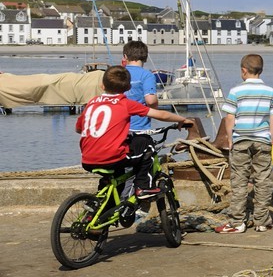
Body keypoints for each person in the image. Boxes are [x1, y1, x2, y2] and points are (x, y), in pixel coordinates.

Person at [77, 66, 199, 199]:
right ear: (129, 87)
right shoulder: (125, 103)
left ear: (102, 85)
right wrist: (182, 119)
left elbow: (78, 129)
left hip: (87, 159)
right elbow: (160, 114)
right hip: (112, 158)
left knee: (118, 177)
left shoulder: (92, 103)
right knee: (147, 143)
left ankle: (102, 203)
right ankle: (143, 187)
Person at [214, 53, 273, 233]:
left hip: (241, 140)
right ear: (261, 70)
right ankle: (262, 221)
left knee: (239, 182)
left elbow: (229, 118)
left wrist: (230, 138)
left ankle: (237, 222)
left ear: (243, 71)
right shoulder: (270, 92)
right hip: (262, 139)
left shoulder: (236, 91)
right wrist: (271, 138)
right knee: (263, 180)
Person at [120, 40, 162, 192]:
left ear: (125, 56)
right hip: (139, 129)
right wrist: (155, 108)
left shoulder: (118, 73)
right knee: (142, 168)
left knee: (123, 170)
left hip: (118, 129)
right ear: (145, 57)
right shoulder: (147, 75)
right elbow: (150, 100)